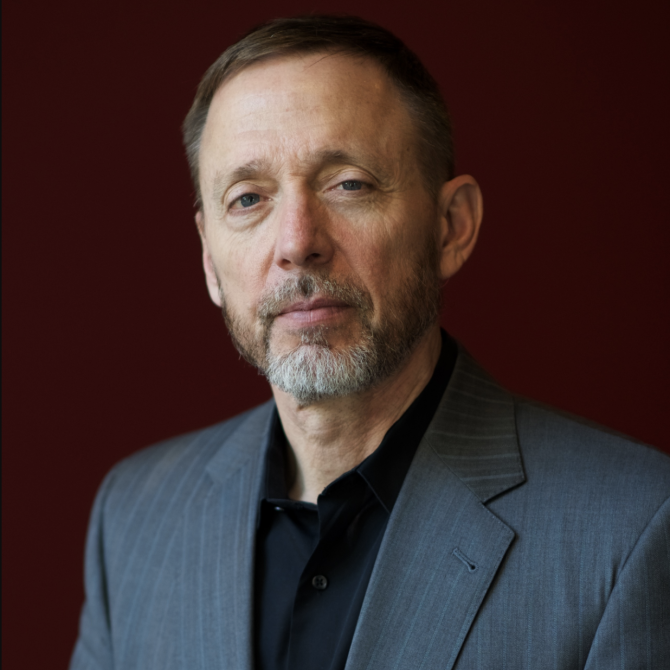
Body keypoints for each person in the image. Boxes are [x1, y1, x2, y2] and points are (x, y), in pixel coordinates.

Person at [70, 15, 670, 670]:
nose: (297, 242)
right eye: (247, 199)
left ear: (451, 227)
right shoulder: (133, 518)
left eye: (348, 183)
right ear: (210, 261)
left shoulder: (634, 528)